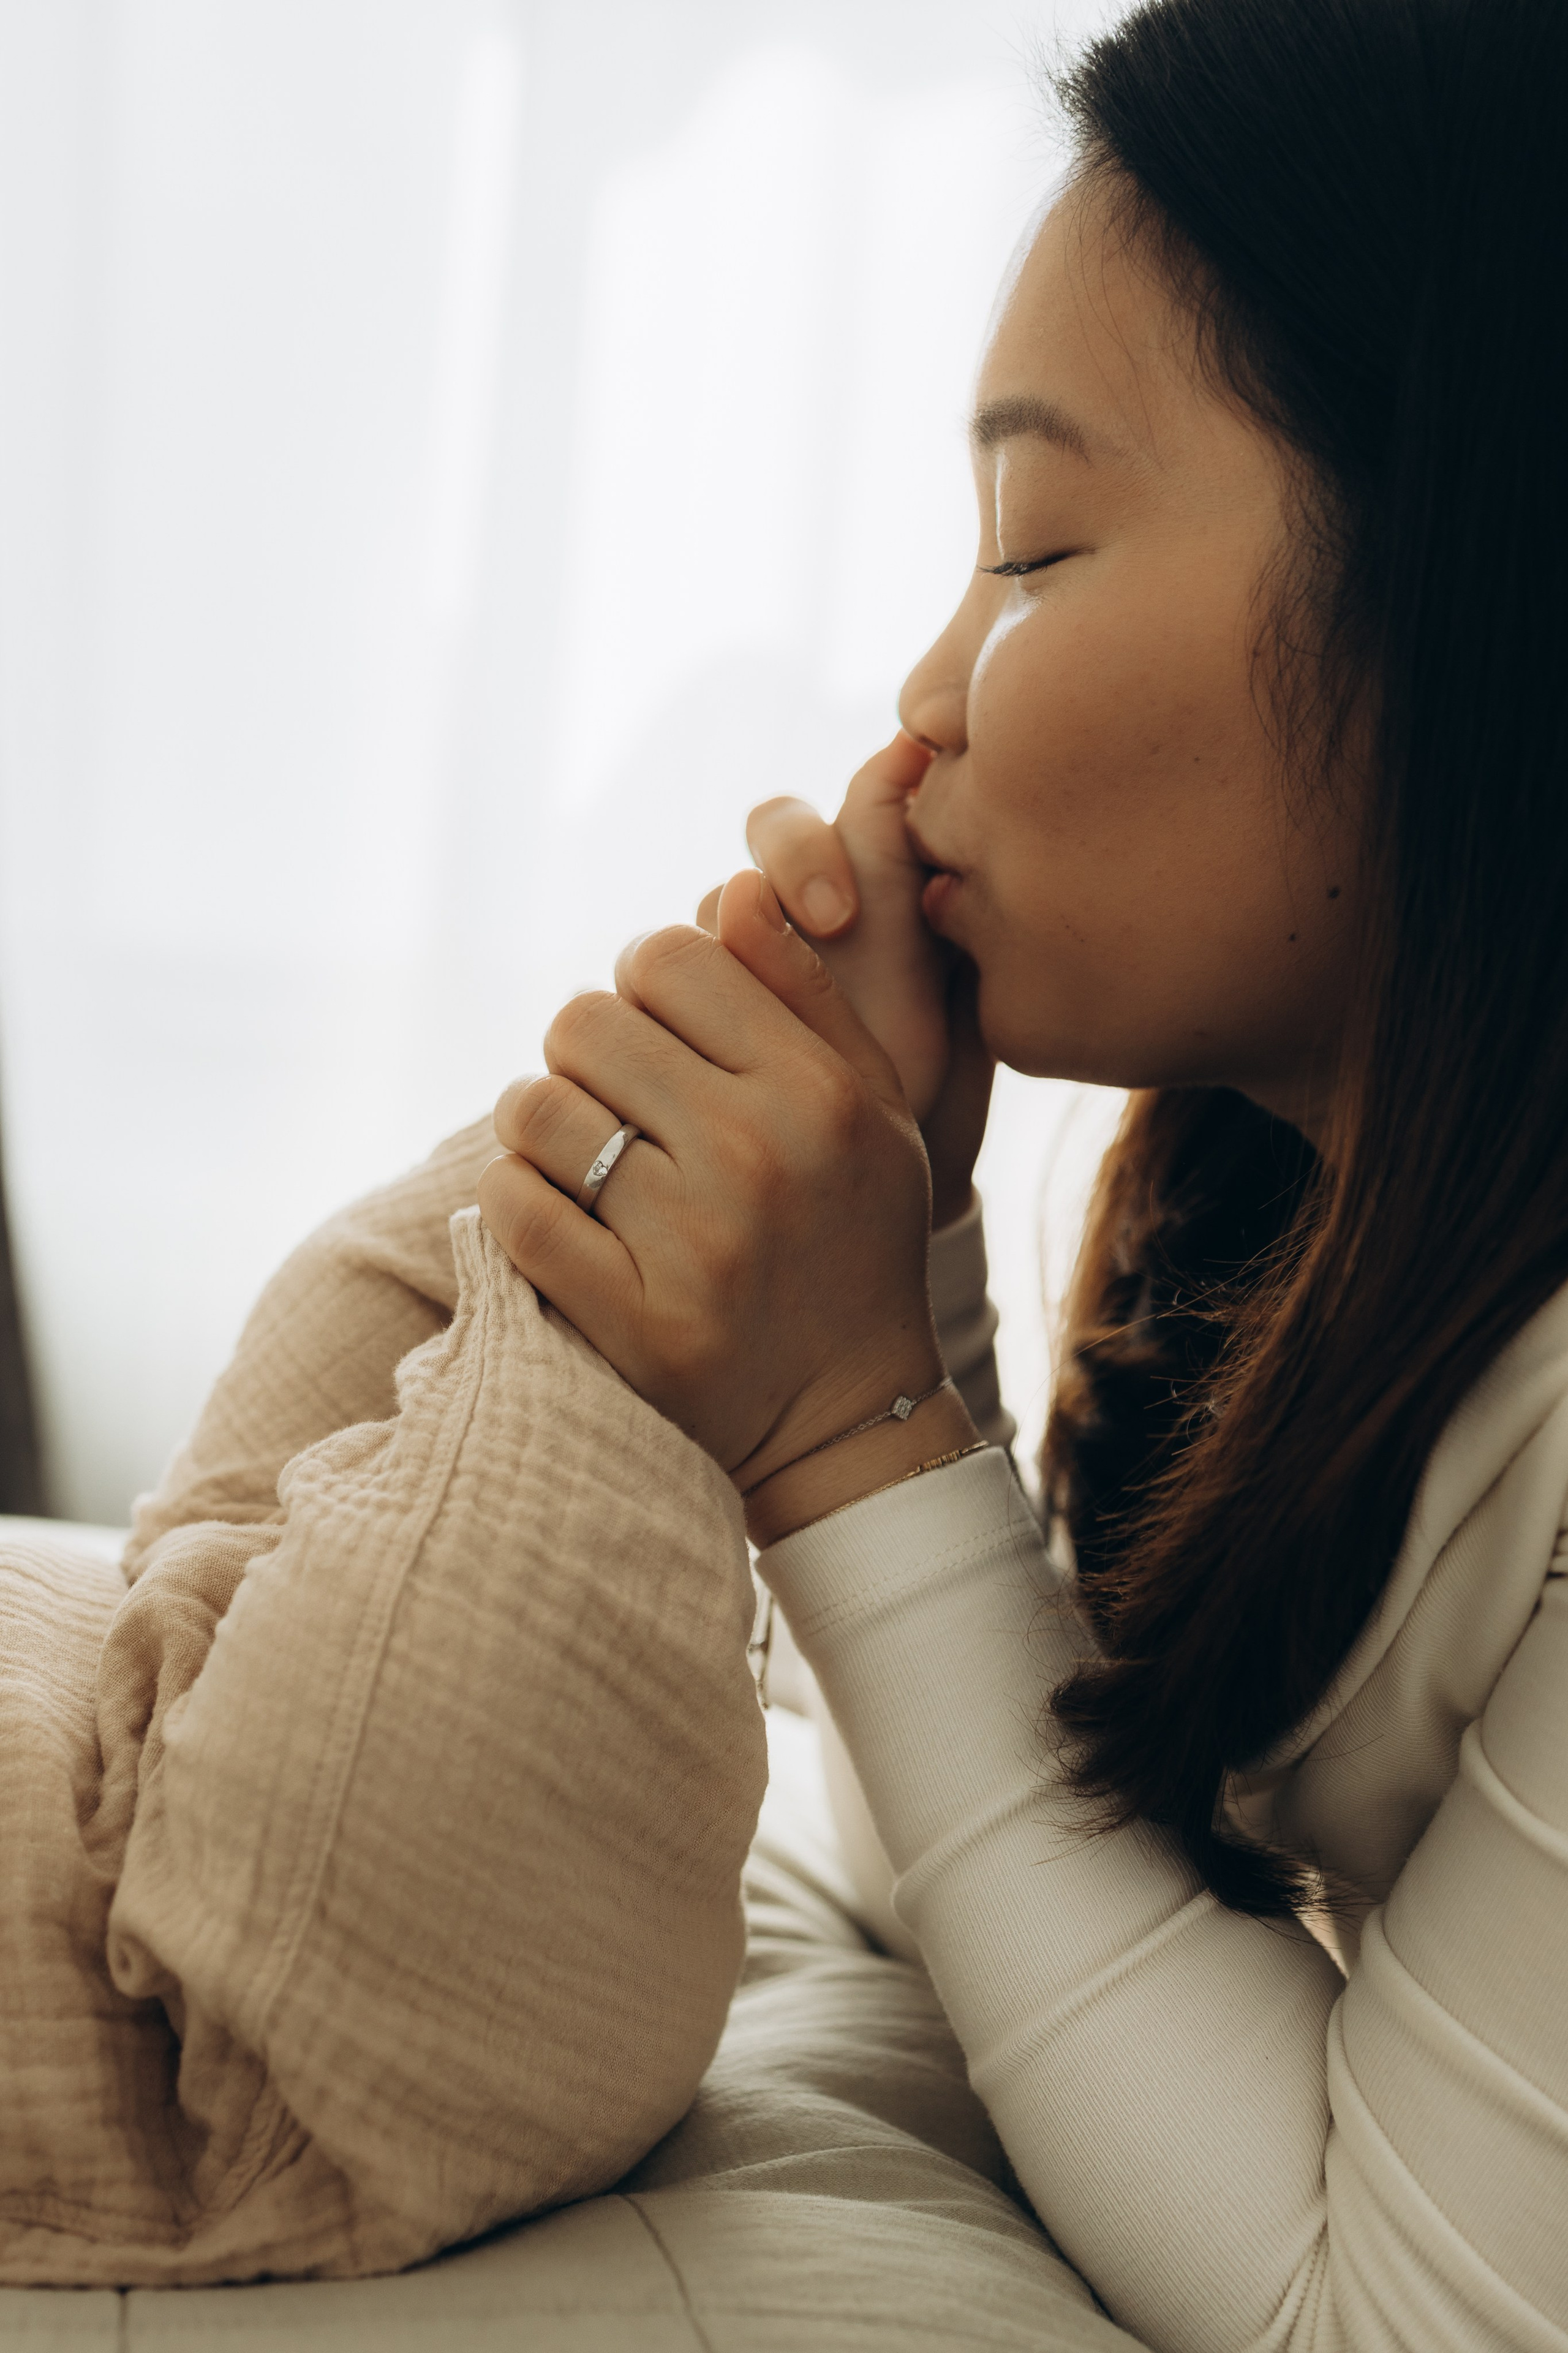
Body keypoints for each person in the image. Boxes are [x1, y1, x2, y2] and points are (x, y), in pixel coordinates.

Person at [475, 0, 1568, 2344]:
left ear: (1475, 591)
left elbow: (1390, 2320)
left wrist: (845, 1427)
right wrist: (913, 1287)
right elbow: (977, 1879)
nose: (928, 696)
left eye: (1039, 546)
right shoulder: (1280, 1229)